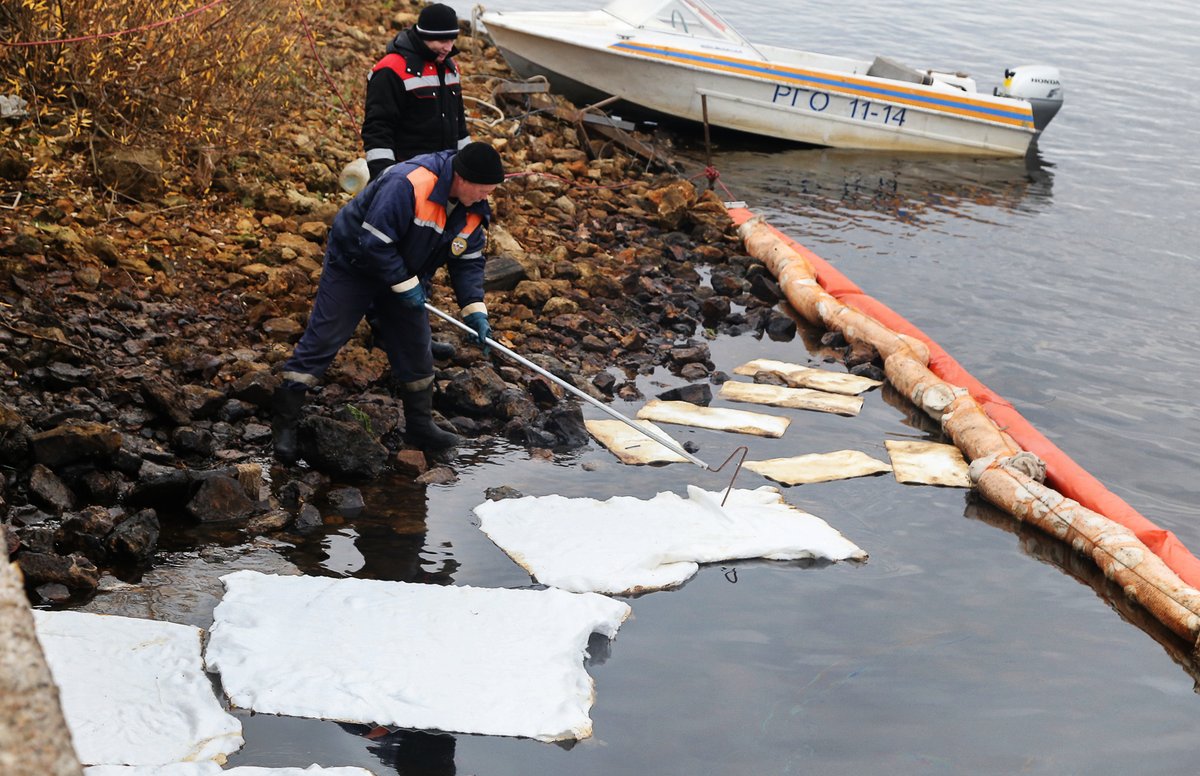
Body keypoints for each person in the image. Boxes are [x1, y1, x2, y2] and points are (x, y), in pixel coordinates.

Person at [271, 142, 505, 463]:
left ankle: (420, 426)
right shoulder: (408, 183)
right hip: (354, 262)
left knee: (416, 344)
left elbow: (467, 262)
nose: (486, 197)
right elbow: (374, 244)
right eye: (483, 189)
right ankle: (284, 423)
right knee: (326, 336)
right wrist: (405, 285)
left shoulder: (473, 209)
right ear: (463, 178)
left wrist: (475, 311)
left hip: (406, 268)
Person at [362, 3, 469, 182]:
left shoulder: (450, 67)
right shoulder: (390, 70)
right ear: (424, 37)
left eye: (452, 40)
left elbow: (459, 124)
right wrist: (386, 176)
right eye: (442, 41)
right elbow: (377, 129)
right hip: (406, 175)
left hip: (445, 173)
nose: (449, 48)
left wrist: (468, 165)